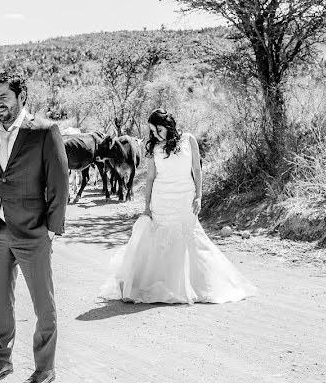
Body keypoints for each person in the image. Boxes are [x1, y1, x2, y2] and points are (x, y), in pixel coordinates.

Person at [0, 71, 69, 383]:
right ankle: (1, 360)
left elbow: (58, 183)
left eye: (4, 97)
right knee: (0, 303)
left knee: (44, 304)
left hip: (33, 231)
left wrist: (51, 230)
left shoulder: (43, 132)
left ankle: (44, 368)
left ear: (21, 97)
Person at [99, 109, 257, 304]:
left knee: (190, 237)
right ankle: (159, 284)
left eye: (158, 130)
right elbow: (150, 178)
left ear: (168, 125)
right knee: (160, 240)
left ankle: (195, 284)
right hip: (161, 199)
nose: (155, 134)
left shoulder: (189, 140)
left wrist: (199, 196)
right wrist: (147, 207)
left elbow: (197, 170)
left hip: (185, 197)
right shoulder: (153, 148)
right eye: (152, 131)